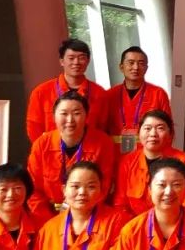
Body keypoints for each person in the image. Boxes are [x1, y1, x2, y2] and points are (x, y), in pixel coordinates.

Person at [26, 91, 117, 225]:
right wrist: (51, 222)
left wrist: (81, 215)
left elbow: (104, 187)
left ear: (86, 116)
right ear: (54, 117)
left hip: (89, 216)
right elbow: (33, 190)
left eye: (76, 113)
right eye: (64, 114)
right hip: (47, 218)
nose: (70, 120)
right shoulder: (41, 144)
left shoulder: (103, 143)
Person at [113, 110, 185, 217]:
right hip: (135, 223)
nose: (153, 134)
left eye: (160, 128)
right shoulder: (128, 162)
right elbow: (120, 203)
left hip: (173, 221)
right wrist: (135, 225)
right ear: (139, 133)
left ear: (170, 134)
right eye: (147, 128)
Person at [26, 38, 112, 142]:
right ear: (62, 61)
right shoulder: (41, 92)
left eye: (81, 58)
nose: (76, 62)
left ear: (88, 61)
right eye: (71, 58)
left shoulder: (100, 94)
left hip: (90, 150)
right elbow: (34, 129)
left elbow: (103, 129)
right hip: (52, 150)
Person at [106, 46, 173, 154]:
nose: (136, 67)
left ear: (146, 68)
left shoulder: (158, 93)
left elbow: (168, 128)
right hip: (116, 153)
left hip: (150, 152)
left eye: (141, 63)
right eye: (131, 63)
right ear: (121, 67)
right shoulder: (109, 95)